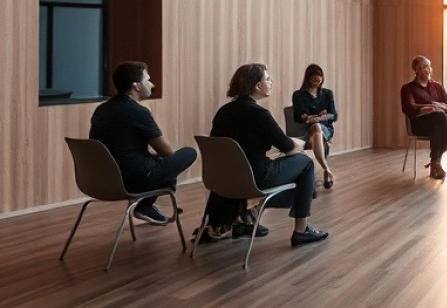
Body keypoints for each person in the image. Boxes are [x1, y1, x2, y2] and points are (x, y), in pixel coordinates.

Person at [199, 63, 329, 247]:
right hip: (254, 179)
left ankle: (240, 218)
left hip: (224, 181)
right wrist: (300, 145)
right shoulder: (259, 114)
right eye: (268, 79)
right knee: (306, 163)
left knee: (290, 169)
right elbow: (288, 147)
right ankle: (302, 230)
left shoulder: (223, 111)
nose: (271, 82)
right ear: (258, 86)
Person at [89, 61, 196, 225]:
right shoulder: (138, 111)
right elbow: (166, 150)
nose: (152, 85)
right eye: (148, 80)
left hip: (102, 179)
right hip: (133, 180)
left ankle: (146, 206)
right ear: (136, 86)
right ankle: (145, 206)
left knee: (162, 166)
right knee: (188, 153)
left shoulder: (102, 109)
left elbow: (119, 146)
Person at [401, 55, 447, 180]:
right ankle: (435, 163)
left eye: (428, 66)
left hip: (439, 124)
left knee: (441, 124)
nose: (427, 70)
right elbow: (409, 107)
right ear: (416, 70)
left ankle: (434, 162)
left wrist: (443, 107)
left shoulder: (437, 86)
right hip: (419, 124)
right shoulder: (407, 88)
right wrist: (430, 106)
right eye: (423, 67)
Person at [291, 64, 337, 190]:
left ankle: (322, 170)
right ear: (308, 79)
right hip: (306, 128)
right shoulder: (298, 95)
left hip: (326, 128)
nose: (317, 83)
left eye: (319, 80)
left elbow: (334, 115)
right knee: (317, 130)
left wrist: (320, 118)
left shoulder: (327, 94)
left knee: (317, 127)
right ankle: (326, 169)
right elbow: (296, 117)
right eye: (314, 80)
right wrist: (305, 117)